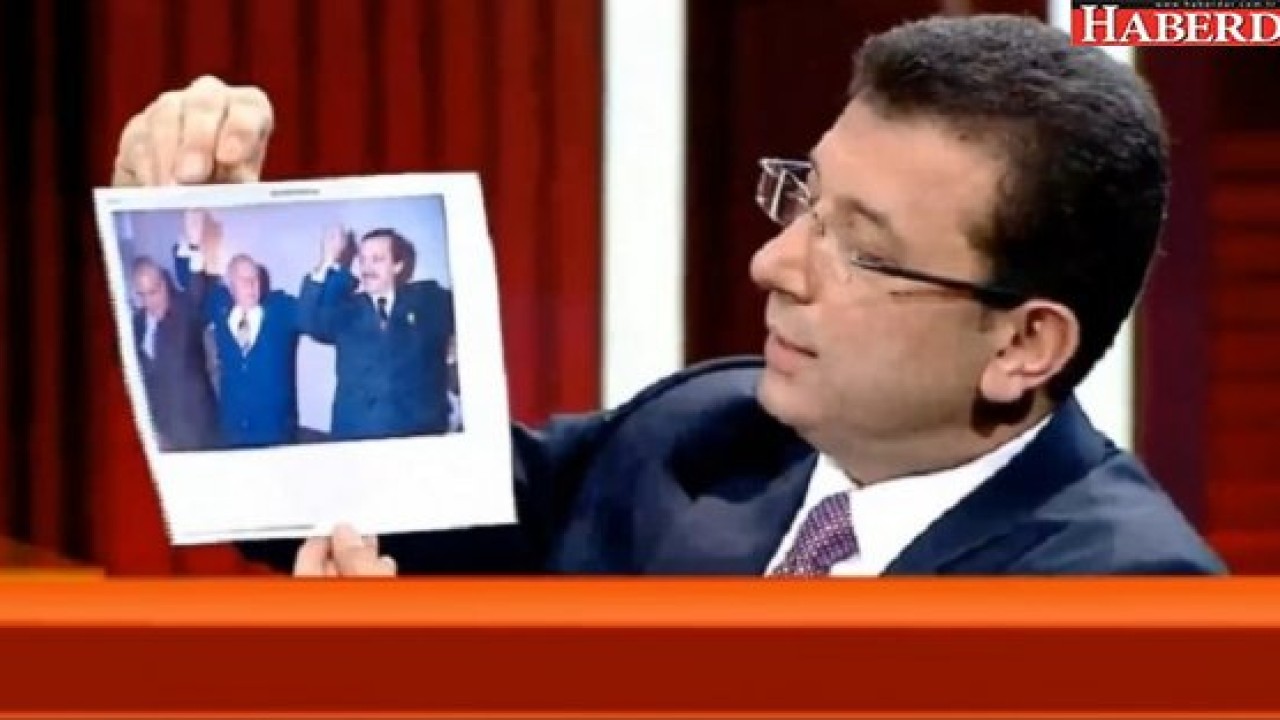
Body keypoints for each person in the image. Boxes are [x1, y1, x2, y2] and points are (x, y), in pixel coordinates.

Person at [112, 14, 1227, 576]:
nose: (773, 265)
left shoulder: (1116, 603)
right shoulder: (711, 431)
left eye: (861, 249)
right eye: (805, 201)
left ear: (1024, 344)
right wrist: (199, 237)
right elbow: (369, 501)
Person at [296, 225, 456, 441]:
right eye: (363, 260)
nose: (367, 268)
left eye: (377, 259)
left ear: (398, 265)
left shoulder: (427, 300)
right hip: (357, 435)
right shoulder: (347, 309)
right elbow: (307, 320)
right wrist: (327, 260)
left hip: (416, 434)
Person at [173, 209, 302, 448]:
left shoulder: (281, 309)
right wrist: (193, 245)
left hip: (273, 430)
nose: (252, 285)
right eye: (244, 280)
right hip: (232, 427)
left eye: (255, 278)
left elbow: (314, 315)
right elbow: (191, 286)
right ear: (229, 285)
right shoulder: (219, 304)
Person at [129, 253, 219, 452]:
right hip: (161, 434)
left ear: (164, 284)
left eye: (153, 292)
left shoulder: (184, 310)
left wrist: (193, 248)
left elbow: (197, 288)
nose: (149, 302)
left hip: (196, 431)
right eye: (142, 295)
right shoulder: (137, 324)